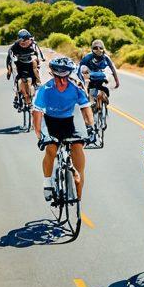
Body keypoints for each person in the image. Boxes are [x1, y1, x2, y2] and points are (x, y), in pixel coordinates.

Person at [32, 56, 96, 203]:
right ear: (52, 75)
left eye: (65, 77)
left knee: (78, 148)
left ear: (69, 75)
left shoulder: (76, 89)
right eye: (57, 77)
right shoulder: (45, 90)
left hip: (69, 121)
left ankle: (78, 198)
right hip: (50, 121)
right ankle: (47, 182)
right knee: (51, 149)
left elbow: (86, 109)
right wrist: (39, 134)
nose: (61, 81)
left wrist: (91, 127)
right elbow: (37, 113)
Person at [5, 29, 44, 107]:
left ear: (30, 39)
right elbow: (8, 58)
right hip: (19, 63)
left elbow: (39, 53)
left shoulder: (33, 44)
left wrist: (40, 59)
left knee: (34, 63)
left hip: (30, 62)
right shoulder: (14, 46)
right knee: (15, 71)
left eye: (27, 41)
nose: (24, 43)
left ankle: (38, 83)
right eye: (22, 41)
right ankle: (16, 93)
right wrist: (9, 70)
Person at [79, 40, 120, 111]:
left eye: (100, 48)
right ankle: (92, 102)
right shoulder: (87, 57)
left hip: (102, 76)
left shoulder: (106, 58)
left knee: (105, 84)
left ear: (103, 49)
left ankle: (103, 97)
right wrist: (79, 81)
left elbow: (112, 69)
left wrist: (117, 82)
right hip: (91, 77)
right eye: (95, 48)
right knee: (89, 90)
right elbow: (79, 68)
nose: (98, 50)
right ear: (92, 49)